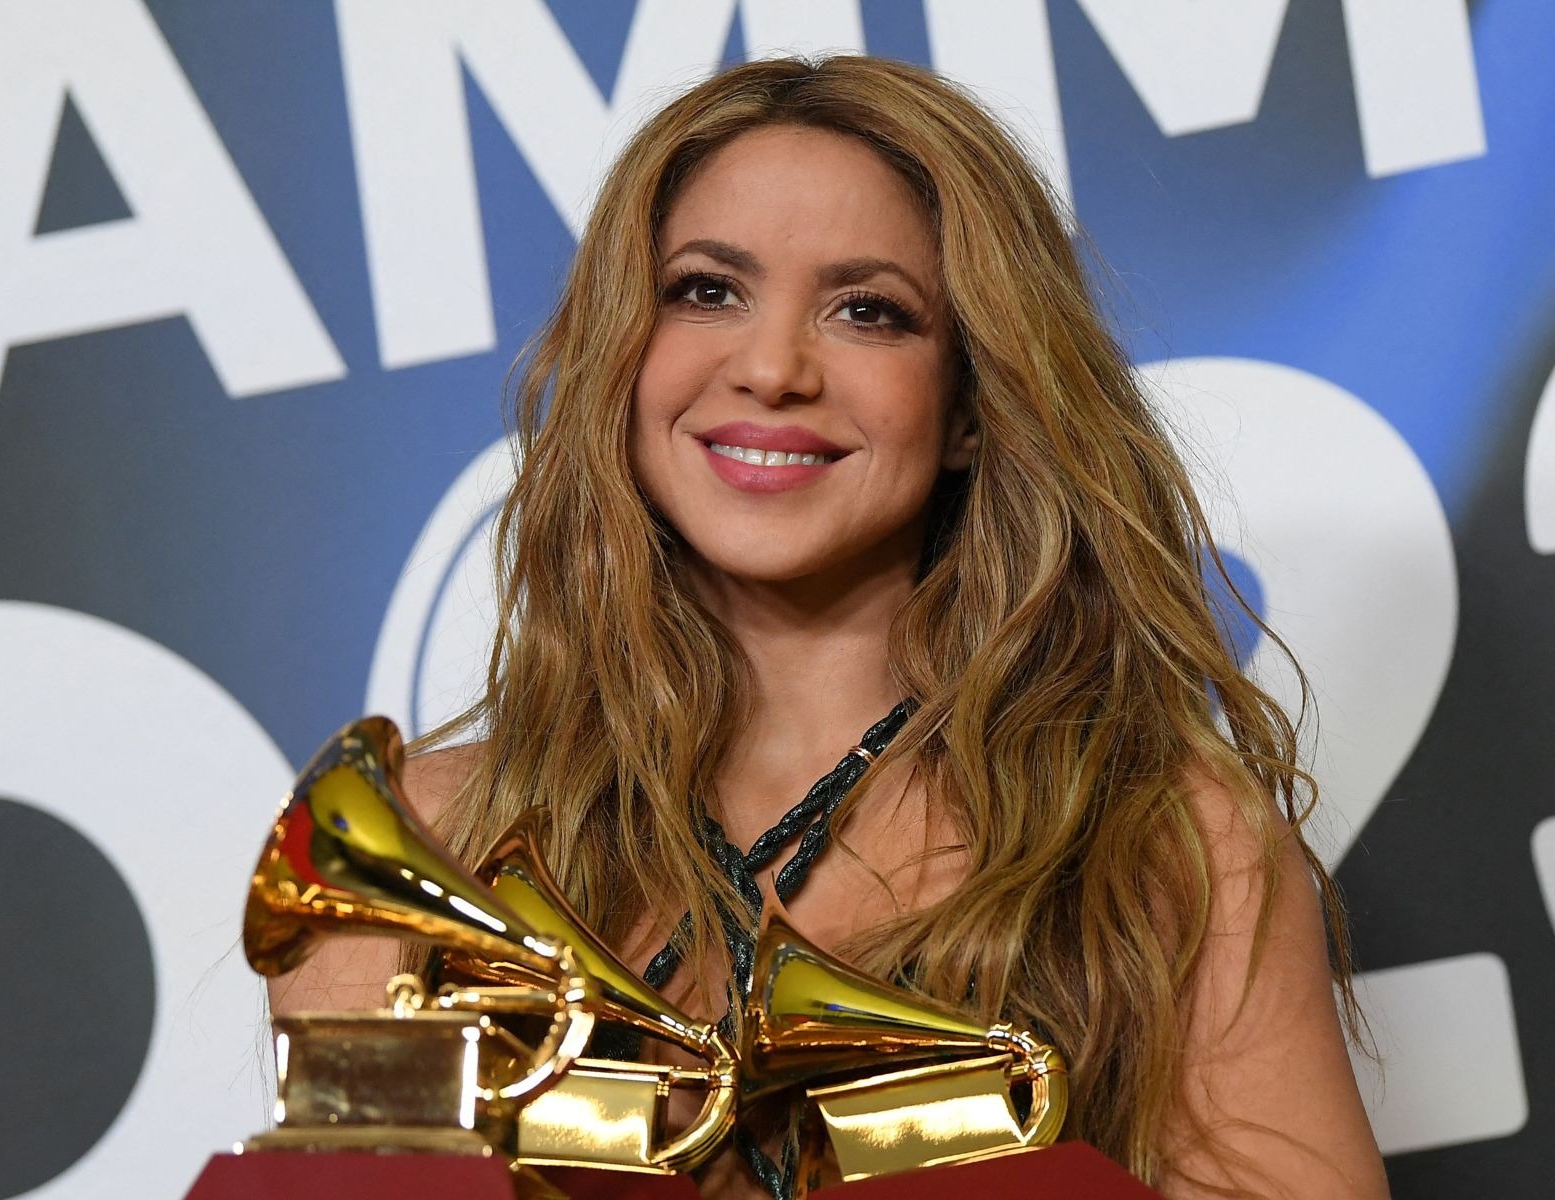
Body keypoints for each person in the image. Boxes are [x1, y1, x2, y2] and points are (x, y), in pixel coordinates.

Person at [269, 54, 1389, 1199]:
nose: (769, 368)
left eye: (869, 312)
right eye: (705, 290)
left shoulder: (1167, 844)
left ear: (965, 407)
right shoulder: (419, 844)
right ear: (618, 352)